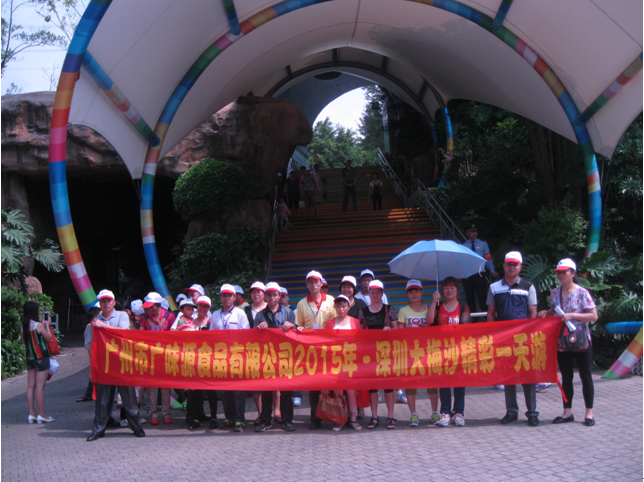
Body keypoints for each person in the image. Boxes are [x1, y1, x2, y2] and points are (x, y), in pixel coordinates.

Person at [538, 258, 598, 426]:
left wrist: (573, 315)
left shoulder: (582, 292)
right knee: (566, 376)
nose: (561, 275)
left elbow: (594, 316)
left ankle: (589, 413)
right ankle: (567, 412)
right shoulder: (554, 293)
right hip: (562, 340)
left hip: (581, 339)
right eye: (559, 272)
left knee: (586, 376)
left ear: (573, 273)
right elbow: (554, 311)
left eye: (564, 272)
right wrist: (546, 312)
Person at [487, 251, 539, 426]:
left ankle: (532, 413)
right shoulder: (494, 287)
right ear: (504, 265)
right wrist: (493, 335)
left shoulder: (528, 286)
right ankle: (511, 412)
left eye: (515, 264)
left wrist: (531, 335)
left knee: (528, 376)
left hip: (523, 339)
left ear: (520, 267)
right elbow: (491, 313)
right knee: (508, 376)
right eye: (509, 264)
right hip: (504, 339)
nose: (512, 267)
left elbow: (533, 311)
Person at [86, 290, 144, 441]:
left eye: (108, 301)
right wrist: (92, 368)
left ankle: (137, 428)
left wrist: (103, 326)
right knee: (103, 401)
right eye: (103, 301)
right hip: (104, 366)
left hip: (122, 364)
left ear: (113, 302)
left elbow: (124, 332)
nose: (106, 304)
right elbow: (91, 346)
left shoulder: (121, 316)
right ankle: (98, 430)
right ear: (100, 304)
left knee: (129, 399)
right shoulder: (95, 322)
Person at [295, 270, 337, 429]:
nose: (313, 285)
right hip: (311, 351)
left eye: (316, 282)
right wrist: (299, 329)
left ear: (321, 283)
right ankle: (315, 418)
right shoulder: (301, 303)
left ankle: (334, 415)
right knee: (313, 386)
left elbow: (336, 322)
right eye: (310, 282)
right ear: (307, 284)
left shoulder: (331, 301)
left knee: (331, 383)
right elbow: (298, 325)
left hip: (329, 349)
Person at [396, 280, 442, 426]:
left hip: (428, 353)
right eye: (411, 291)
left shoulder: (429, 308)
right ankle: (413, 414)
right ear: (407, 294)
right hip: (410, 353)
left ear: (422, 292)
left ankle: (435, 412)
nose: (414, 294)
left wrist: (435, 301)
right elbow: (400, 334)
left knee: (432, 383)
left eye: (416, 291)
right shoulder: (403, 311)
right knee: (410, 384)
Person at [426, 278, 470, 427]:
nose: (449, 290)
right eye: (446, 287)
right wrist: (434, 301)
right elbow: (429, 321)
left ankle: (459, 412)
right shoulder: (438, 306)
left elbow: (464, 325)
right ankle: (445, 412)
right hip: (442, 350)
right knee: (444, 382)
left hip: (458, 350)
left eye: (452, 287)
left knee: (459, 382)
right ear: (442, 290)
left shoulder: (463, 307)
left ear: (457, 290)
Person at [254, 282, 298, 432]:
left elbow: (295, 334)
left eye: (274, 294)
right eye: (269, 294)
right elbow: (253, 337)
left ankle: (287, 420)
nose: (272, 297)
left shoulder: (288, 313)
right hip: (267, 358)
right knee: (266, 390)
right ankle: (265, 420)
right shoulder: (259, 315)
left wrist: (291, 327)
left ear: (279, 296)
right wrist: (259, 329)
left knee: (286, 391)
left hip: (285, 357)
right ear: (265, 296)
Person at [358, 280, 398, 429]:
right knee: (373, 386)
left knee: (388, 385)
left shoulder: (389, 309)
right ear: (369, 293)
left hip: (387, 353)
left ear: (382, 293)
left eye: (377, 292)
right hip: (370, 354)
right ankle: (374, 416)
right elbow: (360, 333)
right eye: (372, 292)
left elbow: (397, 330)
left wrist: (390, 330)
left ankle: (390, 416)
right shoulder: (363, 311)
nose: (375, 294)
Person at [210, 287, 250, 432]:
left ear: (234, 297)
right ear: (220, 298)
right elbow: (210, 336)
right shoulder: (215, 315)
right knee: (225, 390)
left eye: (229, 295)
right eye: (224, 295)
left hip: (236, 357)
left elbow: (246, 335)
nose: (226, 298)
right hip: (221, 358)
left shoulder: (240, 313)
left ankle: (239, 419)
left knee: (238, 390)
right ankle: (229, 418)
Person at [326, 295, 362, 431]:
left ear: (348, 307)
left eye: (343, 306)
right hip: (336, 362)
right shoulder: (330, 323)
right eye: (338, 306)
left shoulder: (355, 322)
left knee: (351, 391)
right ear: (335, 308)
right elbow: (326, 341)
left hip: (351, 361)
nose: (341, 309)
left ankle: (353, 418)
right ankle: (340, 419)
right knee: (338, 392)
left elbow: (360, 340)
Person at [183, 295, 219, 430]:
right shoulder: (189, 323)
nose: (202, 308)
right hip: (193, 361)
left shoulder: (212, 323)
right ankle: (196, 417)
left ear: (209, 308)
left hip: (209, 361)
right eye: (200, 305)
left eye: (205, 306)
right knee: (194, 391)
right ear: (196, 307)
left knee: (211, 391)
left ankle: (214, 417)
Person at [140, 292, 175, 425]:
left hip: (166, 356)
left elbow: (176, 335)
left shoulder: (169, 316)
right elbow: (140, 336)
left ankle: (166, 413)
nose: (150, 310)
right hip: (150, 356)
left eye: (152, 307)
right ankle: (153, 414)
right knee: (152, 387)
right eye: (148, 307)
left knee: (166, 386)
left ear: (159, 305)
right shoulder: (144, 317)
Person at [22, 300, 54, 424]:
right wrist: (47, 326)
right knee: (40, 387)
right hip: (41, 357)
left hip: (30, 357)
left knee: (30, 386)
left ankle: (32, 414)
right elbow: (49, 338)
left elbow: (25, 343)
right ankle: (42, 414)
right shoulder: (38, 325)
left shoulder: (23, 326)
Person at [244, 281, 268, 423]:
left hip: (270, 350)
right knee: (256, 384)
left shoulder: (271, 308)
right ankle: (260, 413)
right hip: (252, 351)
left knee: (274, 383)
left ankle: (277, 412)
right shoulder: (246, 310)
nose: (256, 294)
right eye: (253, 292)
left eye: (258, 291)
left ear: (264, 293)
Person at [462, 224, 498, 316]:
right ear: (467, 234)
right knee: (469, 296)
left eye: (475, 231)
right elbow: (462, 261)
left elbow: (488, 258)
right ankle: (474, 316)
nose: (474, 233)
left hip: (479, 273)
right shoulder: (463, 246)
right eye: (471, 231)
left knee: (482, 295)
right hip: (468, 274)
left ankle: (485, 315)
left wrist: (492, 270)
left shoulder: (483, 244)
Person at [76, 306, 102, 403]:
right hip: (96, 353)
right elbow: (88, 343)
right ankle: (89, 394)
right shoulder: (90, 326)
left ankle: (89, 394)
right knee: (94, 372)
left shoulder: (104, 323)